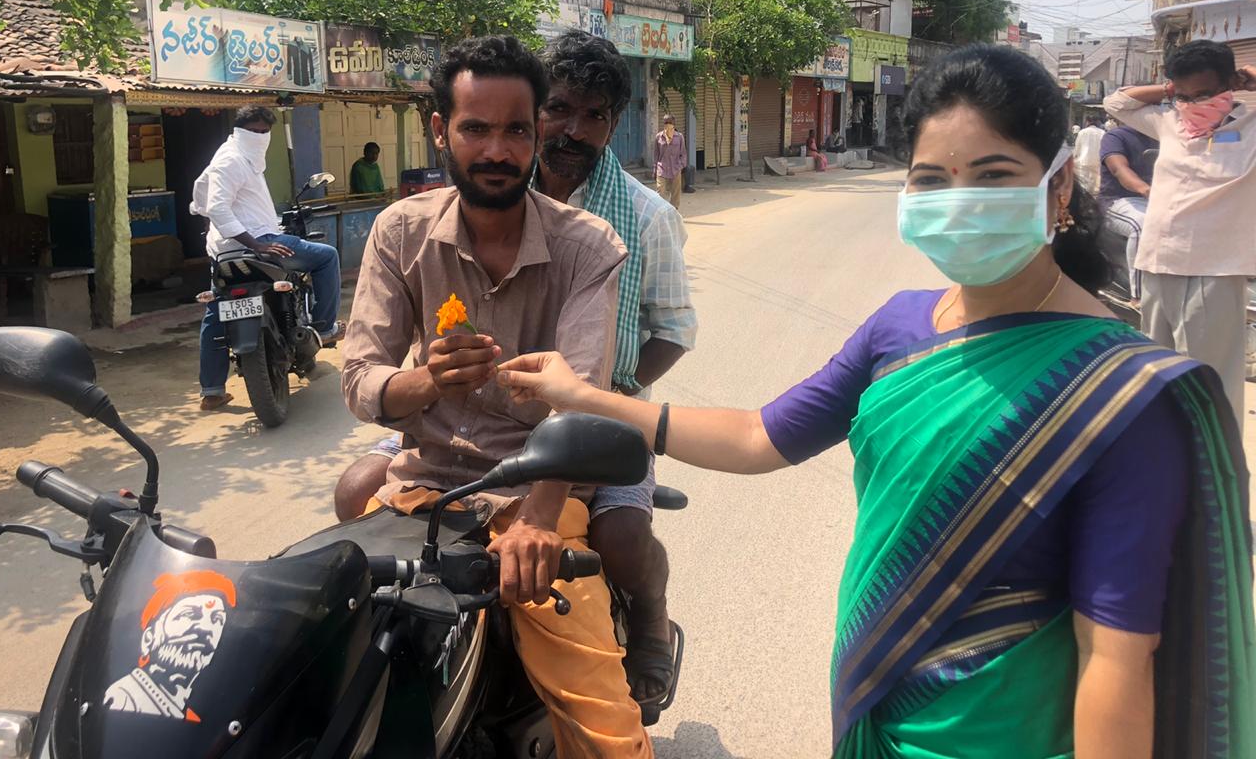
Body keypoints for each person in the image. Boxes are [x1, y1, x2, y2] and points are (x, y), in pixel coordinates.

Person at [500, 46, 1255, 758]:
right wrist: (583, 395)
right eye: (932, 179)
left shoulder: (1125, 397)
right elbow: (759, 437)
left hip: (1013, 735)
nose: (957, 203)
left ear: (1058, 187)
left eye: (992, 176)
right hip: (883, 710)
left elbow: (1117, 659)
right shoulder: (899, 326)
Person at [335, 30, 697, 721]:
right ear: (443, 133)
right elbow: (364, 374)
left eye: (593, 116)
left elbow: (662, 340)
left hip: (578, 435)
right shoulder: (410, 227)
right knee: (353, 515)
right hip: (444, 446)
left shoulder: (623, 227)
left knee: (616, 555)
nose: (570, 130)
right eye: (561, 110)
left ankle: (649, 618)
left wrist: (599, 408)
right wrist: (431, 381)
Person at [1103, 39, 1256, 426]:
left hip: (1215, 271)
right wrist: (1171, 90)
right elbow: (1116, 103)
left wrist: (1251, 77)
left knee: (1210, 377)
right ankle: (1167, 458)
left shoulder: (1251, 129)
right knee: (1158, 371)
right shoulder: (1168, 122)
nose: (1193, 104)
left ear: (1229, 85)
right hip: (1158, 263)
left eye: (1204, 93)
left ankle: (1215, 468)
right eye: (1183, 95)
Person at [190, 106, 342, 412]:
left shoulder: (234, 155)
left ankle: (212, 391)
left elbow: (202, 195)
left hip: (224, 252)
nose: (261, 137)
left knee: (217, 310)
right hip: (257, 243)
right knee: (327, 257)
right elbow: (218, 207)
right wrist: (257, 244)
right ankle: (325, 329)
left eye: (265, 131)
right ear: (241, 129)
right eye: (255, 131)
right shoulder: (231, 159)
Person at [102, 570, 236, 721]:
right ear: (149, 639)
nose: (205, 628)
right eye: (190, 614)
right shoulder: (123, 700)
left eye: (217, 619)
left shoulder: (191, 714)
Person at [1098, 117, 1156, 301]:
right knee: (1143, 225)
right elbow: (1119, 169)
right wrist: (1146, 190)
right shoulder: (1116, 136)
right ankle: (1138, 296)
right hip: (1117, 201)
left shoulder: (1165, 136)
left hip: (1157, 199)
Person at [653, 113, 687, 208]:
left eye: (670, 122)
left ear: (674, 123)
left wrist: (680, 166)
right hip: (662, 168)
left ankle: (674, 212)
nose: (668, 124)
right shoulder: (659, 137)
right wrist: (655, 169)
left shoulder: (679, 137)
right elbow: (656, 154)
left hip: (675, 168)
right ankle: (662, 212)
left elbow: (683, 154)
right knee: (660, 192)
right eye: (666, 122)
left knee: (675, 193)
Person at [1072, 113, 1104, 194]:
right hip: (1097, 161)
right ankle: (1092, 200)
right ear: (1098, 122)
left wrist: (1074, 156)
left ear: (1087, 121)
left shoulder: (1082, 132)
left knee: (1083, 184)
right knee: (1094, 184)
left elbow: (1077, 147)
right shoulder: (1102, 132)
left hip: (1084, 160)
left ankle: (1085, 200)